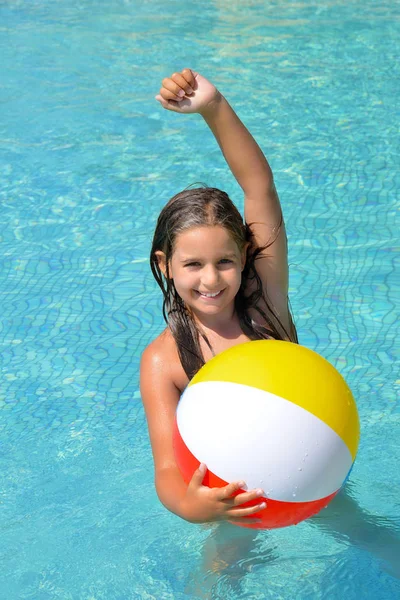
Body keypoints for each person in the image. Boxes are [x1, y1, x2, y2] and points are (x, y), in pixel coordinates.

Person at [140, 67, 298, 526]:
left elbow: (259, 186)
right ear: (165, 264)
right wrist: (190, 506)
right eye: (192, 265)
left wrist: (213, 106)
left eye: (225, 262)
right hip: (234, 498)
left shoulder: (264, 301)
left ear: (246, 256)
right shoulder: (163, 361)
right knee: (213, 580)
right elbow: (168, 469)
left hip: (313, 470)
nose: (211, 279)